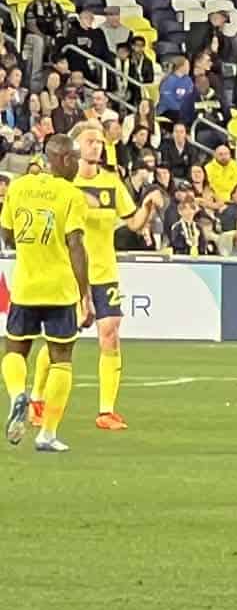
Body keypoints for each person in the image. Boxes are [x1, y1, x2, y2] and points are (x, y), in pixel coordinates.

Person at [31, 121, 154, 435]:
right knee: (62, 338)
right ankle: (37, 399)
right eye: (90, 141)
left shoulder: (112, 183)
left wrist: (149, 206)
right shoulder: (61, 184)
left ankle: (106, 410)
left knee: (110, 333)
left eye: (100, 141)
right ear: (74, 147)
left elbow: (134, 222)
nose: (97, 146)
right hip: (70, 272)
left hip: (104, 271)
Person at [2, 133, 92, 453]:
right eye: (77, 159)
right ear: (64, 159)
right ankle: (47, 434)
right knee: (61, 360)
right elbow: (76, 245)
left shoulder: (19, 186)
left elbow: (8, 235)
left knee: (15, 350)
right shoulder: (71, 195)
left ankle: (17, 395)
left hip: (25, 286)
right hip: (59, 290)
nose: (79, 165)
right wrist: (86, 294)